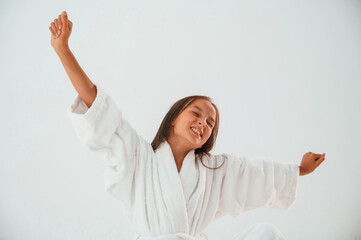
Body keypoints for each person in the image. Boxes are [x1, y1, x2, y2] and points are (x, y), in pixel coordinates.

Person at [49, 11, 326, 240]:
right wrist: (63, 51)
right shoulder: (139, 157)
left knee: (267, 234)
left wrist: (300, 170)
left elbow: (254, 174)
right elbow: (100, 111)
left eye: (210, 123)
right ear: (173, 118)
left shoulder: (215, 170)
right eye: (196, 113)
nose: (202, 124)